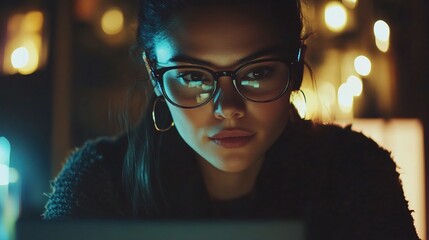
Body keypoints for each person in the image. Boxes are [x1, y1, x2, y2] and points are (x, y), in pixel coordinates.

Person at [43, 0, 419, 239]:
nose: (228, 106)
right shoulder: (99, 181)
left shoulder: (356, 173)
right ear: (154, 72)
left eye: (256, 73)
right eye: (193, 76)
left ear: (297, 67)